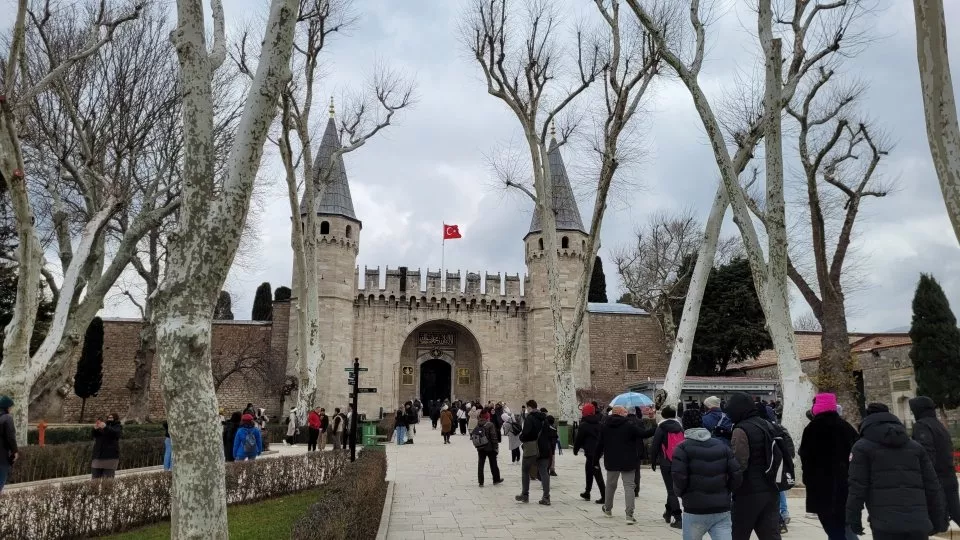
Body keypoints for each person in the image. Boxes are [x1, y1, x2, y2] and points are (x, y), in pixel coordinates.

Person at [847, 402, 946, 540]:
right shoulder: (916, 447)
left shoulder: (862, 448)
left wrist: (853, 519)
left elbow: (857, 487)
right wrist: (937, 519)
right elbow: (932, 486)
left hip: (885, 524)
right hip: (918, 523)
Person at [672, 408, 741, 540]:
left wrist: (682, 494)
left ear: (684, 425)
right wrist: (727, 491)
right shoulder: (721, 446)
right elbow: (736, 474)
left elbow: (679, 477)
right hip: (721, 508)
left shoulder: (682, 448)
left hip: (694, 508)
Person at [798, 393, 859, 540]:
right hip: (845, 486)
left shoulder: (812, 429)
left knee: (833, 528)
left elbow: (806, 458)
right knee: (843, 525)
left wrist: (808, 480)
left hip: (821, 487)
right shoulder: (846, 427)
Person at [726, 392, 781, 540]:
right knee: (770, 534)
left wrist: (730, 485)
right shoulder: (767, 424)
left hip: (747, 491)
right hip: (770, 488)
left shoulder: (741, 429)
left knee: (739, 533)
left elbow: (739, 463)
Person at [910, 396, 960, 528]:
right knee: (955, 512)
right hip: (949, 475)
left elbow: (926, 455)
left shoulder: (921, 426)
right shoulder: (938, 425)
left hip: (936, 479)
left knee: (935, 520)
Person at [596, 405, 645, 524]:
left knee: (610, 485)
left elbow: (600, 444)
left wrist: (595, 460)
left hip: (611, 460)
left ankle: (607, 509)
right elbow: (643, 434)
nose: (626, 413)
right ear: (619, 412)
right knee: (629, 487)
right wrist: (657, 426)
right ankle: (629, 515)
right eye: (624, 411)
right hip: (628, 460)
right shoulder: (629, 425)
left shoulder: (604, 425)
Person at [651, 405, 684, 529]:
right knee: (672, 488)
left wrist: (653, 461)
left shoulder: (661, 427)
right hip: (679, 462)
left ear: (663, 415)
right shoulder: (680, 427)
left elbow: (655, 445)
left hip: (666, 462)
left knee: (671, 490)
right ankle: (668, 512)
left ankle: (678, 518)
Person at [516, 399, 552, 505]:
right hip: (544, 448)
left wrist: (521, 438)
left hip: (532, 448)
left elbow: (526, 433)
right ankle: (546, 497)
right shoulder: (544, 419)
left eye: (527, 408)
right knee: (544, 472)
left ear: (530, 408)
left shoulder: (530, 418)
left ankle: (525, 494)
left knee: (525, 470)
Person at [573, 402, 605, 505]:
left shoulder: (584, 425)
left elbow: (578, 439)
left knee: (597, 473)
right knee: (589, 471)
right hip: (597, 451)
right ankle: (587, 492)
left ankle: (604, 496)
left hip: (591, 452)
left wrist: (575, 449)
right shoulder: (600, 424)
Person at [474, 410, 503, 486]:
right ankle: (496, 480)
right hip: (490, 448)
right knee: (493, 463)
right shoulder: (490, 424)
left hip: (481, 447)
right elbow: (493, 437)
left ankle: (481, 482)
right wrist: (496, 447)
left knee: (481, 464)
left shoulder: (478, 424)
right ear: (487, 416)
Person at [91, 412, 123, 479]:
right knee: (94, 481)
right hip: (98, 456)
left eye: (111, 418)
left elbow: (115, 434)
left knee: (107, 482)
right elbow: (95, 435)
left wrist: (105, 427)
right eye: (108, 417)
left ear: (115, 418)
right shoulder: (103, 426)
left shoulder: (118, 427)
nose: (109, 419)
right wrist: (95, 429)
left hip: (110, 458)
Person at [0, 395, 18, 493]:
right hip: (2, 456)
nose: (11, 409)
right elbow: (11, 437)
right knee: (1, 478)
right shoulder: (7, 418)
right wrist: (15, 451)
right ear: (7, 407)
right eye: (11, 407)